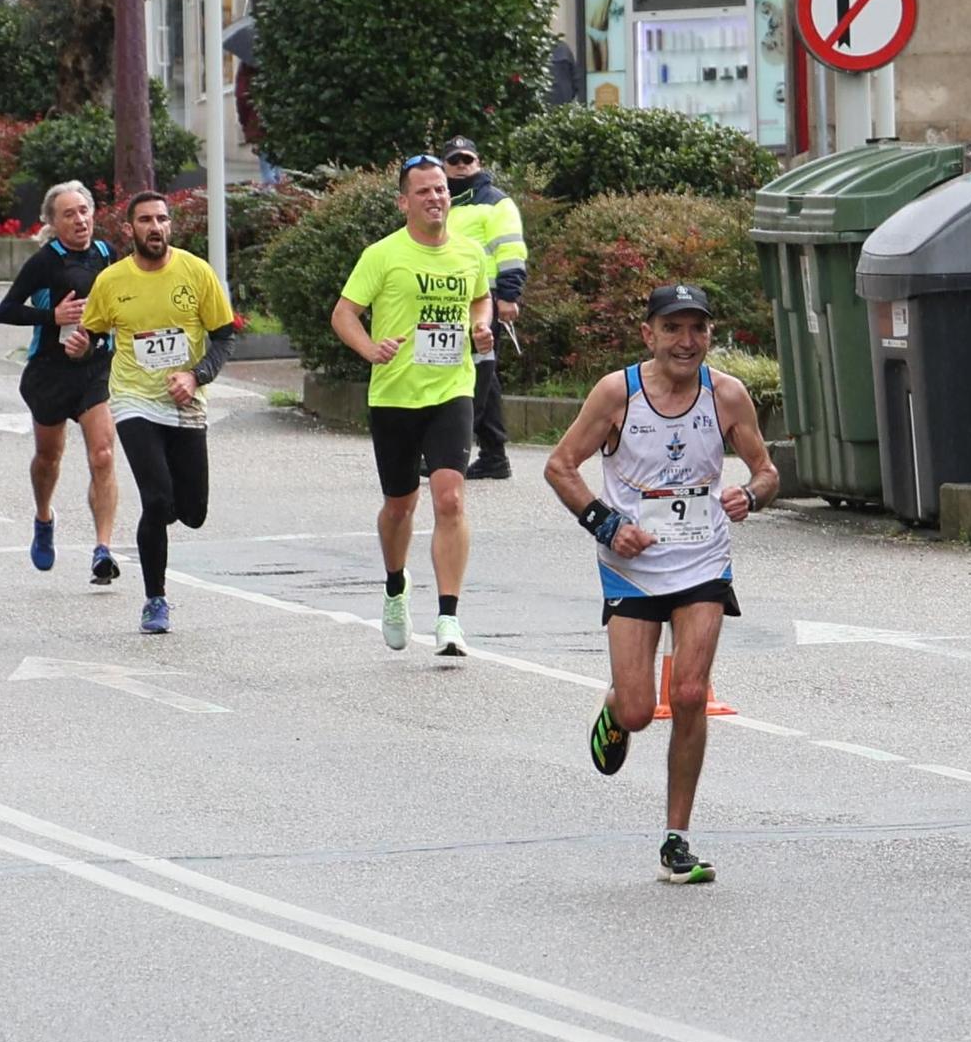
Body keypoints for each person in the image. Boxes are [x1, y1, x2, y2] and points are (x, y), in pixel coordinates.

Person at [544, 284, 780, 884]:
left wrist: (748, 494)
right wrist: (606, 522)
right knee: (640, 708)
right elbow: (560, 465)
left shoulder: (726, 395)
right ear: (648, 334)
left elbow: (767, 470)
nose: (686, 341)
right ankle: (616, 711)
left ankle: (677, 838)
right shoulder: (616, 394)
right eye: (673, 329)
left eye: (697, 329)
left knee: (693, 693)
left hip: (703, 561)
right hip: (631, 567)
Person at [331, 155, 494, 658]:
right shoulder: (383, 255)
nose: (435, 198)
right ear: (404, 202)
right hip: (395, 395)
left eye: (441, 189)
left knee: (450, 498)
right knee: (401, 505)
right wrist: (368, 349)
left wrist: (480, 325)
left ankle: (448, 618)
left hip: (452, 389)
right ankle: (396, 587)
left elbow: (480, 298)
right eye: (423, 191)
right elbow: (344, 314)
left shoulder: (469, 253)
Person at [78, 191, 237, 634]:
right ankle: (155, 600)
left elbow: (224, 336)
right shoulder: (112, 281)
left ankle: (162, 513)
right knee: (157, 499)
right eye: (145, 220)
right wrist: (79, 344)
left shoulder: (196, 272)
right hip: (134, 399)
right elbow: (90, 334)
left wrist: (196, 375)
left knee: (192, 511)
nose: (155, 227)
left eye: (162, 219)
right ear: (130, 229)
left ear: (170, 225)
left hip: (184, 402)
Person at [0, 181, 121, 584]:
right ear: (52, 222)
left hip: (94, 370)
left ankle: (102, 550)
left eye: (84, 210)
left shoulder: (107, 256)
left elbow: (119, 310)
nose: (80, 219)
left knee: (102, 455)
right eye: (69, 214)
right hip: (49, 373)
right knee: (49, 458)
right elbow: (6, 310)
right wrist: (53, 318)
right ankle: (44, 517)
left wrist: (96, 338)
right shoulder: (44, 262)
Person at [441, 136, 527, 481]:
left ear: (479, 163)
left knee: (474, 375)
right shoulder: (443, 202)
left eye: (467, 159)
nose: (461, 165)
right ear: (444, 165)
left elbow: (510, 251)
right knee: (483, 377)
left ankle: (449, 452)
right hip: (447, 298)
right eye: (454, 160)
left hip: (486, 300)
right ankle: (494, 455)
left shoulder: (495, 203)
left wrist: (508, 297)